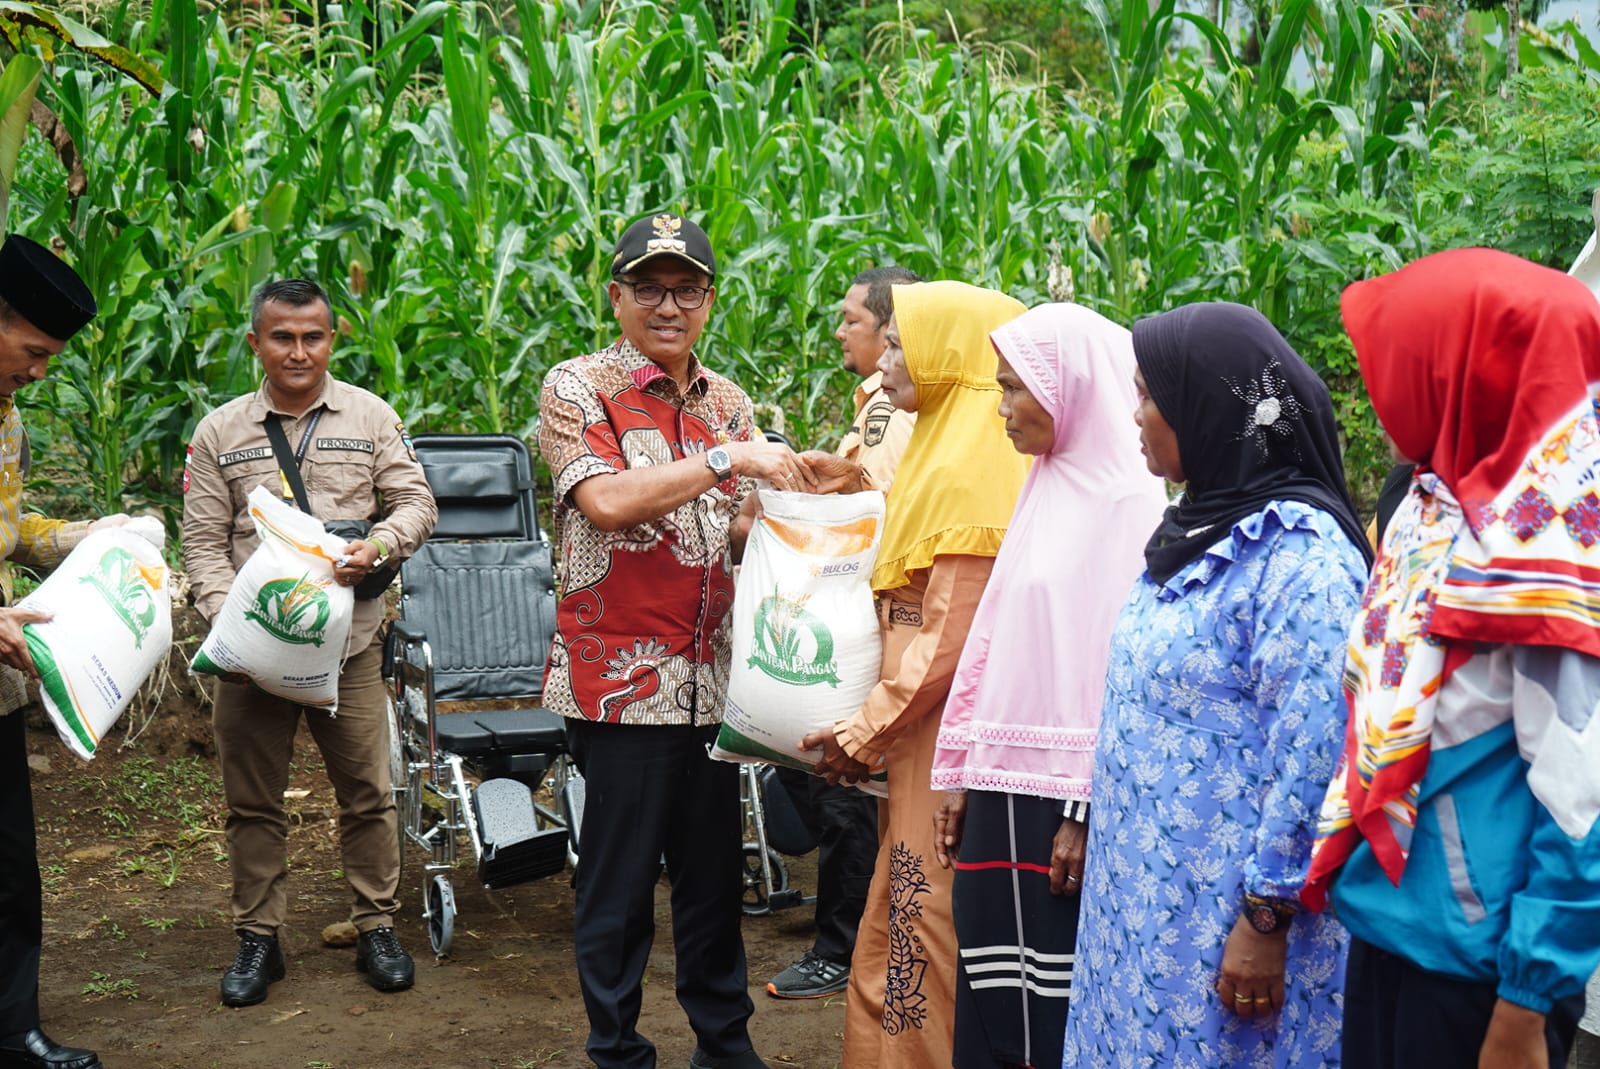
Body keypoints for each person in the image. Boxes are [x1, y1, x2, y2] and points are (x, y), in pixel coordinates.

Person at [1303, 249, 1600, 1069]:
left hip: (1481, 969)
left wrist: (1527, 1002)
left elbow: (1583, 800)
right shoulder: (1434, 506)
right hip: (1395, 916)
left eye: (1400, 364)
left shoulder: (1547, 552)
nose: (1377, 386)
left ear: (1467, 374)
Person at [538, 211, 817, 1069]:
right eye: (649, 288)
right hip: (623, 686)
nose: (669, 305)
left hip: (713, 684)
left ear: (709, 299)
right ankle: (618, 1050)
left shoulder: (728, 401)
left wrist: (780, 514)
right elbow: (609, 503)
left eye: (687, 288)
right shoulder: (578, 388)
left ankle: (723, 1044)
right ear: (616, 295)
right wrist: (734, 464)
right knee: (618, 892)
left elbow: (727, 537)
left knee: (711, 883)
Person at [1061, 302, 1371, 1069]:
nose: (1135, 414)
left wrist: (1265, 919)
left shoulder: (1300, 560)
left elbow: (1316, 755)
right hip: (1145, 910)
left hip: (1225, 926)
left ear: (1208, 405)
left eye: (1148, 394)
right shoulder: (1197, 525)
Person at [182, 278, 437, 1007]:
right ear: (255, 341)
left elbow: (417, 501)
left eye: (313, 336)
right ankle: (259, 938)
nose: (299, 351)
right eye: (282, 337)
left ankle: (375, 925)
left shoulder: (370, 416)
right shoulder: (219, 432)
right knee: (253, 801)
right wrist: (226, 629)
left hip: (351, 648)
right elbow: (202, 543)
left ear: (333, 339)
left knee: (367, 794)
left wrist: (381, 542)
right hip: (251, 663)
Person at [928, 303, 1167, 1069]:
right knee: (994, 988)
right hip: (1005, 790)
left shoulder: (1128, 504)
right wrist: (966, 773)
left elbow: (1118, 669)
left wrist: (1083, 807)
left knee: (1052, 998)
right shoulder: (1044, 486)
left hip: (1064, 803)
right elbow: (998, 643)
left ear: (1067, 388)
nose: (1000, 409)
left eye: (1013, 389)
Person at [801, 280, 1029, 1069]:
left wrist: (863, 732)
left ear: (950, 354)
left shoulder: (975, 464)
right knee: (899, 907)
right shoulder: (948, 440)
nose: (885, 356)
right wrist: (855, 488)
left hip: (931, 732)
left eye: (902, 343)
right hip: (913, 735)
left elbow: (945, 634)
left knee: (921, 914)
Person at [766, 265, 922, 1003]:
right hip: (871, 615)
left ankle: (840, 946)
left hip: (874, 617)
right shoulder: (876, 406)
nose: (840, 330)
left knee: (848, 791)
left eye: (851, 319)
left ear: (892, 329)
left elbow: (885, 517)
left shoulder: (894, 409)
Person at [0, 235, 124, 1069]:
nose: (41, 372)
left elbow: (11, 530)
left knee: (11, 867)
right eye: (33, 350)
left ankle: (14, 1032)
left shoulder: (6, 420)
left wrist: (90, 536)